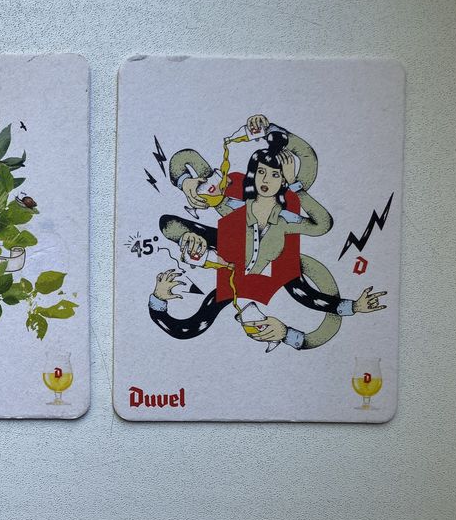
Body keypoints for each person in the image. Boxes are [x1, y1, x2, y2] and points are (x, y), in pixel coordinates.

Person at [150, 115, 386, 350]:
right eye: (261, 172)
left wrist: (289, 333)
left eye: (275, 175)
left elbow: (322, 226)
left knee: (298, 289)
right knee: (192, 325)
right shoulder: (229, 203)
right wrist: (186, 186)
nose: (266, 179)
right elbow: (178, 182)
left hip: (267, 270)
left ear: (284, 180)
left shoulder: (285, 222)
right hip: (231, 261)